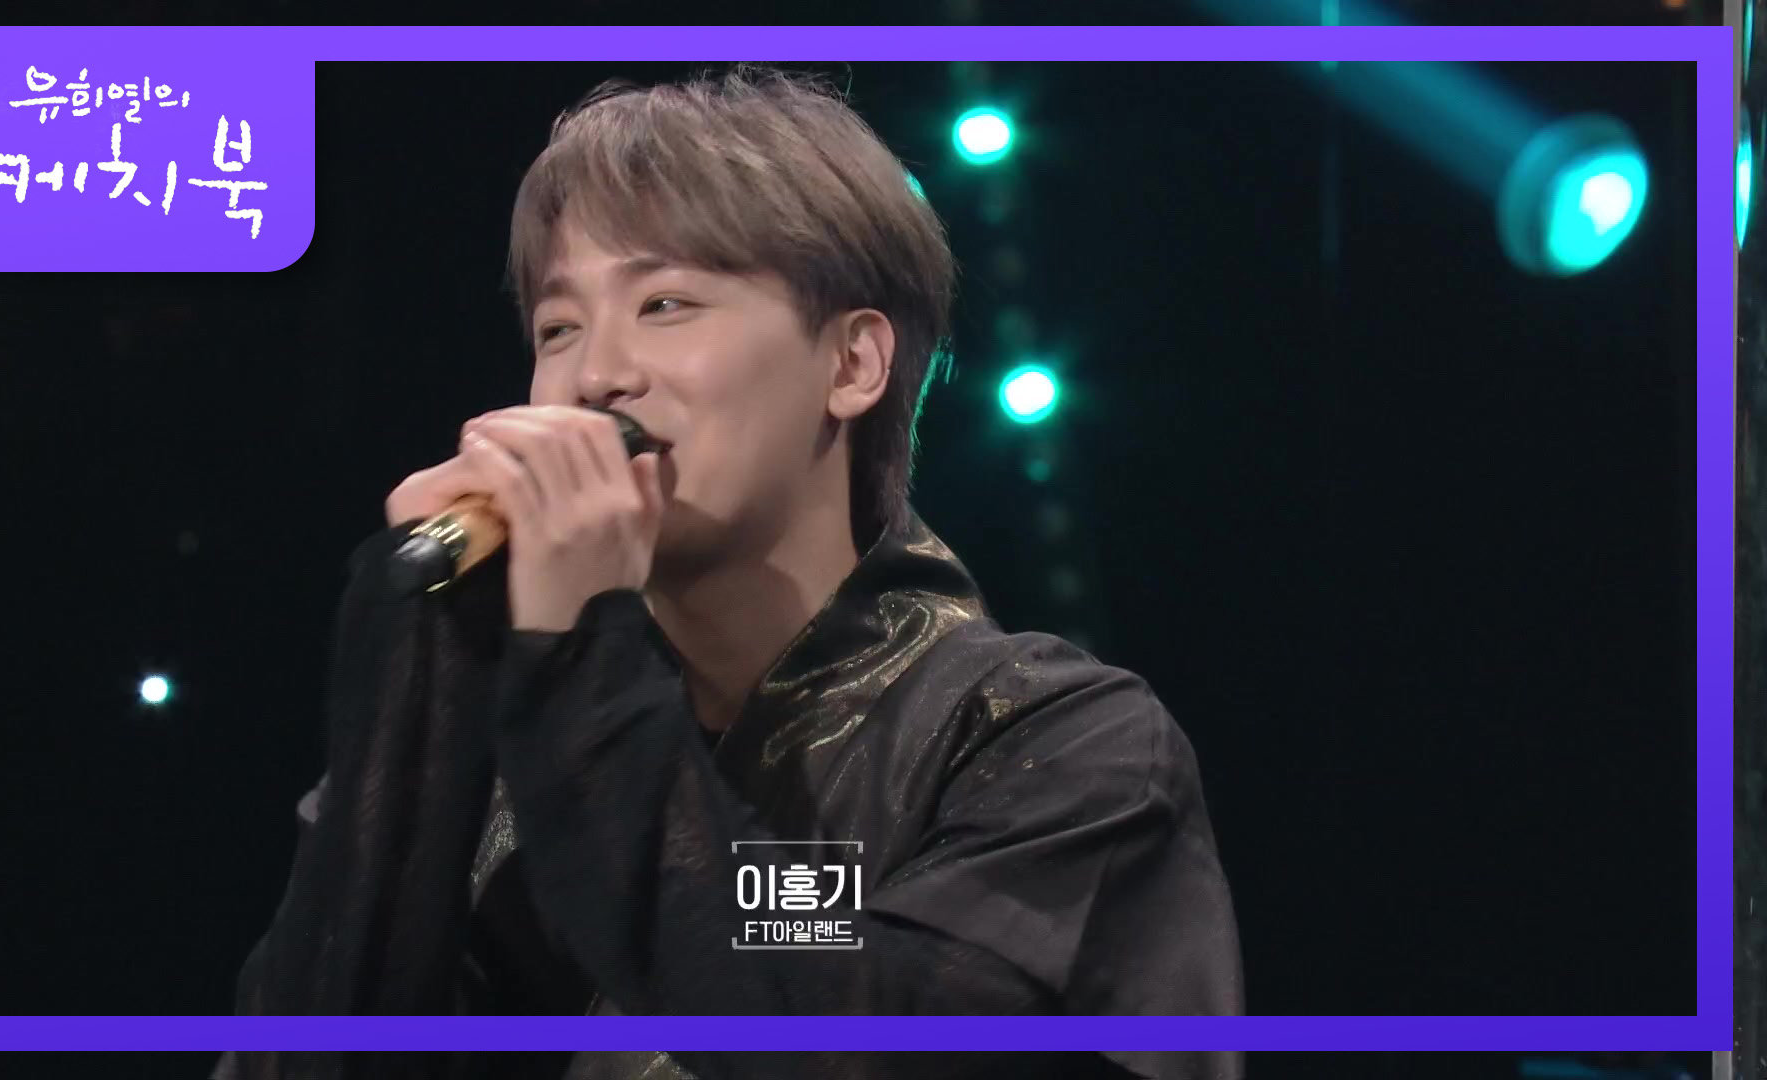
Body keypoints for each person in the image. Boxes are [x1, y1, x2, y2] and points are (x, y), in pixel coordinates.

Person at [214, 65, 1244, 1080]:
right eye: (559, 327)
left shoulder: (1052, 741)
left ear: (852, 364)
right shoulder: (504, 780)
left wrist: (578, 661)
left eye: (665, 303)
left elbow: (856, 1031)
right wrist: (422, 681)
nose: (595, 376)